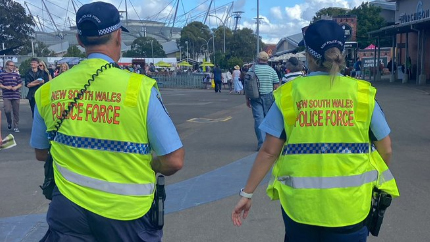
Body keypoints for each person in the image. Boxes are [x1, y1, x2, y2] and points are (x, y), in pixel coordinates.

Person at [232, 20, 399, 241]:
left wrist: (248, 193)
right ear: (342, 52)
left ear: (308, 56)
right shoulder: (362, 95)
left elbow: (269, 151)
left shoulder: (290, 94)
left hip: (301, 210)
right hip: (351, 209)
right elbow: (385, 148)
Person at [30, 2, 184, 241]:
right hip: (127, 213)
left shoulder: (48, 90)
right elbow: (173, 160)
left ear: (80, 40)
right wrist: (148, 165)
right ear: (119, 36)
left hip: (68, 209)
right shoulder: (139, 88)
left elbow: (41, 152)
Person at [246, 51, 279, 150]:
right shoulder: (271, 70)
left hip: (255, 97)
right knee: (269, 119)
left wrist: (247, 98)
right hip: (269, 96)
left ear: (258, 59)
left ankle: (261, 144)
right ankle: (270, 144)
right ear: (267, 60)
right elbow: (276, 85)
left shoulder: (252, 69)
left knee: (258, 119)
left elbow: (247, 85)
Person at [0, 60, 22, 132]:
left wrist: (16, 87)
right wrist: (6, 87)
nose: (13, 67)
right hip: (7, 95)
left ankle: (16, 126)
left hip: (15, 95)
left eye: (13, 65)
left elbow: (20, 83)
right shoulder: (2, 74)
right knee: (7, 110)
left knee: (16, 112)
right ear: (7, 66)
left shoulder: (16, 74)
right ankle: (9, 122)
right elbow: (0, 84)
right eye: (11, 65)